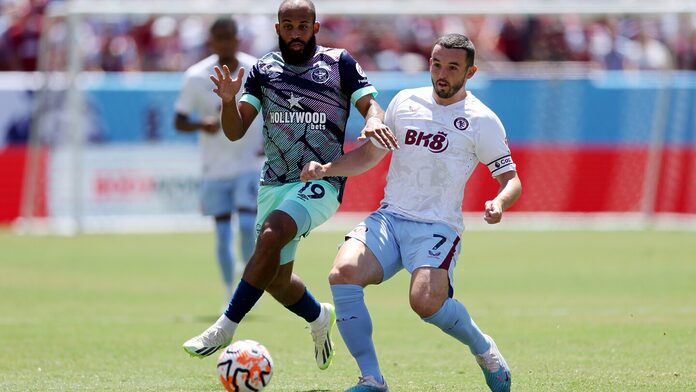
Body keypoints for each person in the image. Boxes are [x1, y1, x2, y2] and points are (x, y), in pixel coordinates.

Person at [182, 0, 398, 372]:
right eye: (288, 25)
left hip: (322, 180)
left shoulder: (339, 63)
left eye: (303, 25)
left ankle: (225, 327)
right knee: (275, 280)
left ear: (315, 27)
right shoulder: (262, 70)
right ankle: (317, 317)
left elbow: (370, 104)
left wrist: (375, 120)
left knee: (271, 234)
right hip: (274, 183)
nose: (295, 32)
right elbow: (234, 132)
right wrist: (228, 102)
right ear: (277, 28)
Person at [300, 33, 521, 392]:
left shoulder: (482, 120)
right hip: (391, 217)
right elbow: (370, 155)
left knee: (426, 303)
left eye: (452, 67)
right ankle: (371, 379)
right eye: (437, 64)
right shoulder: (405, 101)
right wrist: (327, 168)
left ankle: (484, 349)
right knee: (342, 273)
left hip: (437, 226)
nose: (442, 74)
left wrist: (499, 202)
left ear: (471, 71)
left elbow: (511, 180)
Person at [174, 18, 263, 304]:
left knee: (249, 225)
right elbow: (179, 120)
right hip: (215, 166)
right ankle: (229, 290)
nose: (225, 43)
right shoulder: (196, 76)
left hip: (249, 162)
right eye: (219, 38)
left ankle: (248, 283)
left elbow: (272, 109)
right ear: (211, 42)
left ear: (238, 39)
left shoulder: (255, 70)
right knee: (223, 231)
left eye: (229, 37)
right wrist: (202, 124)